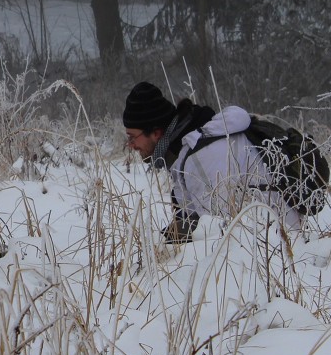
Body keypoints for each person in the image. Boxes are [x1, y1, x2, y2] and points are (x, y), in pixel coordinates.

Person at [122, 82, 301, 243]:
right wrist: (161, 244)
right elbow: (192, 218)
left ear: (156, 133)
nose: (130, 145)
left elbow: (219, 233)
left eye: (132, 137)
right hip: (271, 242)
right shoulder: (190, 152)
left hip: (277, 249)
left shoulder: (200, 157)